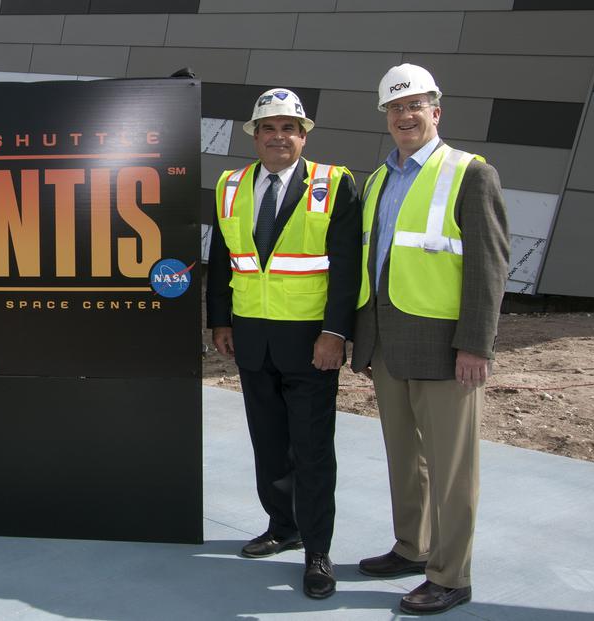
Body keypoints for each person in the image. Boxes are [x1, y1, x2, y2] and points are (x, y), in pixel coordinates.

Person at [352, 64, 508, 615]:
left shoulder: (470, 173)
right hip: (389, 344)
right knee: (404, 458)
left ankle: (450, 574)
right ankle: (412, 547)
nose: (405, 116)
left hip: (446, 348)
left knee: (451, 468)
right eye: (395, 108)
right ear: (386, 117)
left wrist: (476, 345)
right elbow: (374, 261)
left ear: (435, 112)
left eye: (415, 105)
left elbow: (489, 268)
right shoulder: (376, 180)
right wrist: (363, 341)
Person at [206, 88, 361, 600]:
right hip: (251, 339)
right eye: (268, 129)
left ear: (304, 134)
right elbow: (223, 261)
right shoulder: (230, 186)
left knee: (313, 451)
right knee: (269, 443)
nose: (279, 137)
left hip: (312, 343)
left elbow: (346, 269)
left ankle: (317, 550)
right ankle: (282, 526)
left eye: (289, 128)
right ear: (255, 135)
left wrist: (336, 333)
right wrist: (220, 321)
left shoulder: (334, 184)